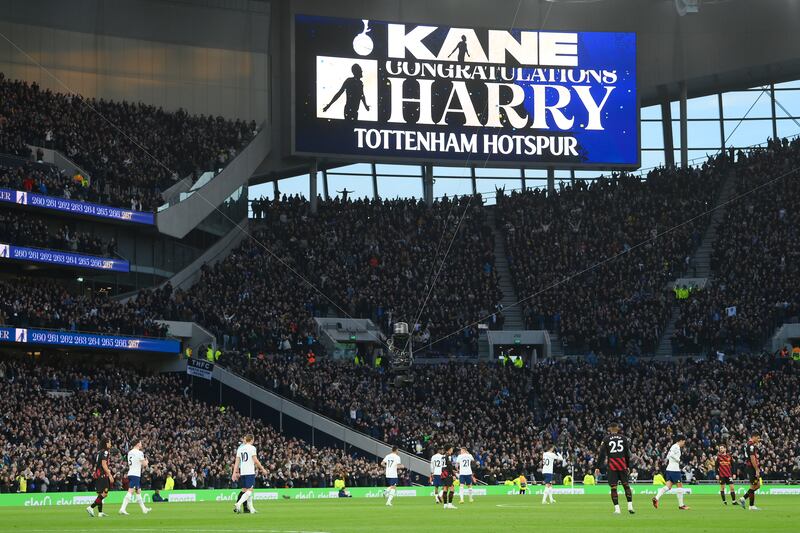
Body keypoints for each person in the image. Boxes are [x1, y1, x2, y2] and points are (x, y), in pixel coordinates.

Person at [597, 422, 634, 515]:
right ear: (618, 428)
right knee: (626, 485)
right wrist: (628, 466)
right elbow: (627, 454)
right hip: (622, 465)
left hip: (612, 466)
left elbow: (601, 453)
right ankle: (630, 506)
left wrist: (597, 466)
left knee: (613, 488)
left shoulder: (606, 439)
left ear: (610, 429)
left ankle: (617, 509)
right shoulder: (624, 438)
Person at [232, 434, 268, 514]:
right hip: (250, 472)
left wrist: (234, 472)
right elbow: (255, 460)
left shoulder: (240, 448)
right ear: (251, 440)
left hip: (243, 472)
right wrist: (262, 469)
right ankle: (238, 504)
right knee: (250, 491)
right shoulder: (252, 448)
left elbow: (237, 462)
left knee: (245, 491)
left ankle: (251, 509)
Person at [652, 435, 690, 510]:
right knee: (680, 486)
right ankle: (681, 505)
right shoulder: (676, 447)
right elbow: (671, 455)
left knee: (668, 486)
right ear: (681, 440)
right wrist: (678, 460)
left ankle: (656, 498)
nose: (684, 443)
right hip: (674, 470)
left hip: (669, 469)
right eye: (683, 442)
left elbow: (668, 456)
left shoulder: (674, 447)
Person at [119, 439, 151, 515]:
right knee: (131, 491)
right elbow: (144, 464)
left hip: (131, 473)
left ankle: (144, 509)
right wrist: (146, 462)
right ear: (137, 444)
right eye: (140, 443)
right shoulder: (140, 453)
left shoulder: (130, 452)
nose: (141, 444)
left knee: (138, 491)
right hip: (135, 474)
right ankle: (122, 509)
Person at [86, 435, 113, 518]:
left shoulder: (99, 452)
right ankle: (91, 507)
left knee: (100, 494)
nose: (110, 444)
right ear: (106, 443)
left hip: (97, 474)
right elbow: (104, 465)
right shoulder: (105, 452)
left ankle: (100, 512)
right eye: (109, 442)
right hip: (102, 475)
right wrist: (110, 475)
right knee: (105, 493)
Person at [738, 432, 762, 511]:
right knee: (754, 486)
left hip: (750, 466)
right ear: (754, 437)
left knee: (757, 485)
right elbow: (752, 459)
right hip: (751, 467)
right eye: (757, 438)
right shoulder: (751, 446)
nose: (758, 440)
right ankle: (751, 505)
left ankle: (744, 498)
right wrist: (756, 470)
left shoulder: (747, 444)